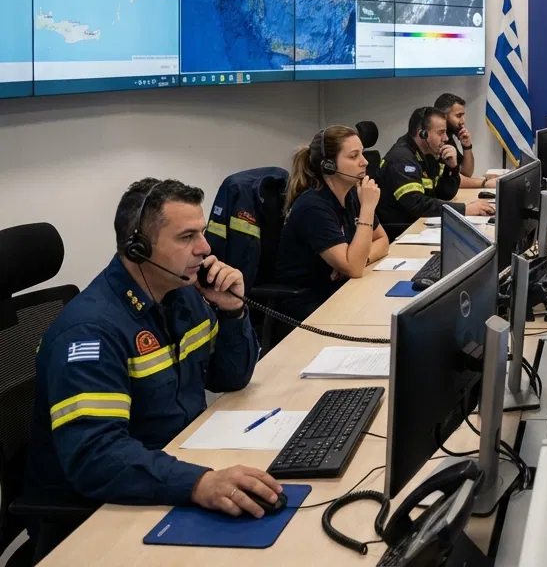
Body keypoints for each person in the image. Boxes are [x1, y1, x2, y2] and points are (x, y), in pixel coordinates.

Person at [25, 179, 282, 556]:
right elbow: (96, 457)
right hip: (105, 511)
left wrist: (233, 312)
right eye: (186, 237)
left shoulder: (183, 294)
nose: (205, 248)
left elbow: (231, 377)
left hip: (173, 469)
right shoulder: (92, 332)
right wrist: (199, 484)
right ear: (138, 248)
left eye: (203, 233)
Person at [275, 126, 390, 321]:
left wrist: (362, 259)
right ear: (329, 165)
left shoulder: (352, 194)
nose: (365, 162)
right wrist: (367, 210)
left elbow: (382, 240)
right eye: (354, 156)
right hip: (310, 303)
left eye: (362, 153)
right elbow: (354, 268)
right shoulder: (313, 207)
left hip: (340, 291)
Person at [377, 107, 495, 240]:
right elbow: (416, 204)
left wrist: (452, 167)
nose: (445, 138)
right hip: (400, 232)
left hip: (420, 225)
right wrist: (464, 210)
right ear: (422, 134)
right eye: (441, 133)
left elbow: (445, 193)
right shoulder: (401, 159)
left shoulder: (429, 153)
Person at [434, 92, 495, 190]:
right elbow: (451, 179)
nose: (463, 121)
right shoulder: (436, 140)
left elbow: (466, 173)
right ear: (443, 116)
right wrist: (485, 183)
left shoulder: (448, 137)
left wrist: (467, 146)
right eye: (458, 116)